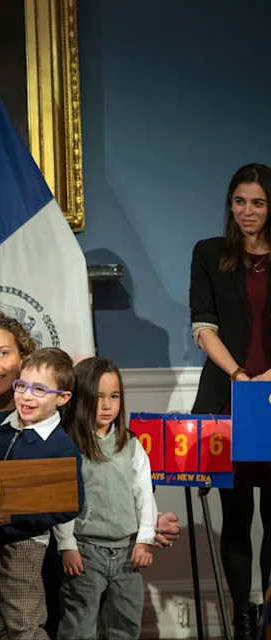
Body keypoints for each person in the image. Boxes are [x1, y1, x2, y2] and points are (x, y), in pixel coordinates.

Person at [0, 312, 180, 639]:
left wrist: (146, 523)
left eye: (3, 353)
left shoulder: (63, 425)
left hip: (51, 553)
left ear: (23, 357)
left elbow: (97, 477)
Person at [191, 162, 271, 639]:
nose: (247, 211)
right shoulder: (209, 253)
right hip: (229, 400)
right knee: (236, 518)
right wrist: (243, 378)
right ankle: (242, 619)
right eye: (239, 201)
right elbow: (203, 327)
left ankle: (268, 616)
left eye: (258, 202)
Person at [0, 347, 84, 640]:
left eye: (39, 389)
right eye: (21, 386)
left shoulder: (60, 448)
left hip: (24, 546)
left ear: (62, 398)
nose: (26, 396)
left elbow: (69, 505)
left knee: (24, 623)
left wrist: (15, 516)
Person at [55, 357, 155, 639]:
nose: (108, 405)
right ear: (82, 398)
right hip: (86, 553)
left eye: (114, 396)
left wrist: (145, 539)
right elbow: (64, 500)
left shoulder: (131, 444)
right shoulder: (69, 446)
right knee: (79, 626)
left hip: (127, 555)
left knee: (124, 625)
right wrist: (67, 544)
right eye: (98, 397)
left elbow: (144, 495)